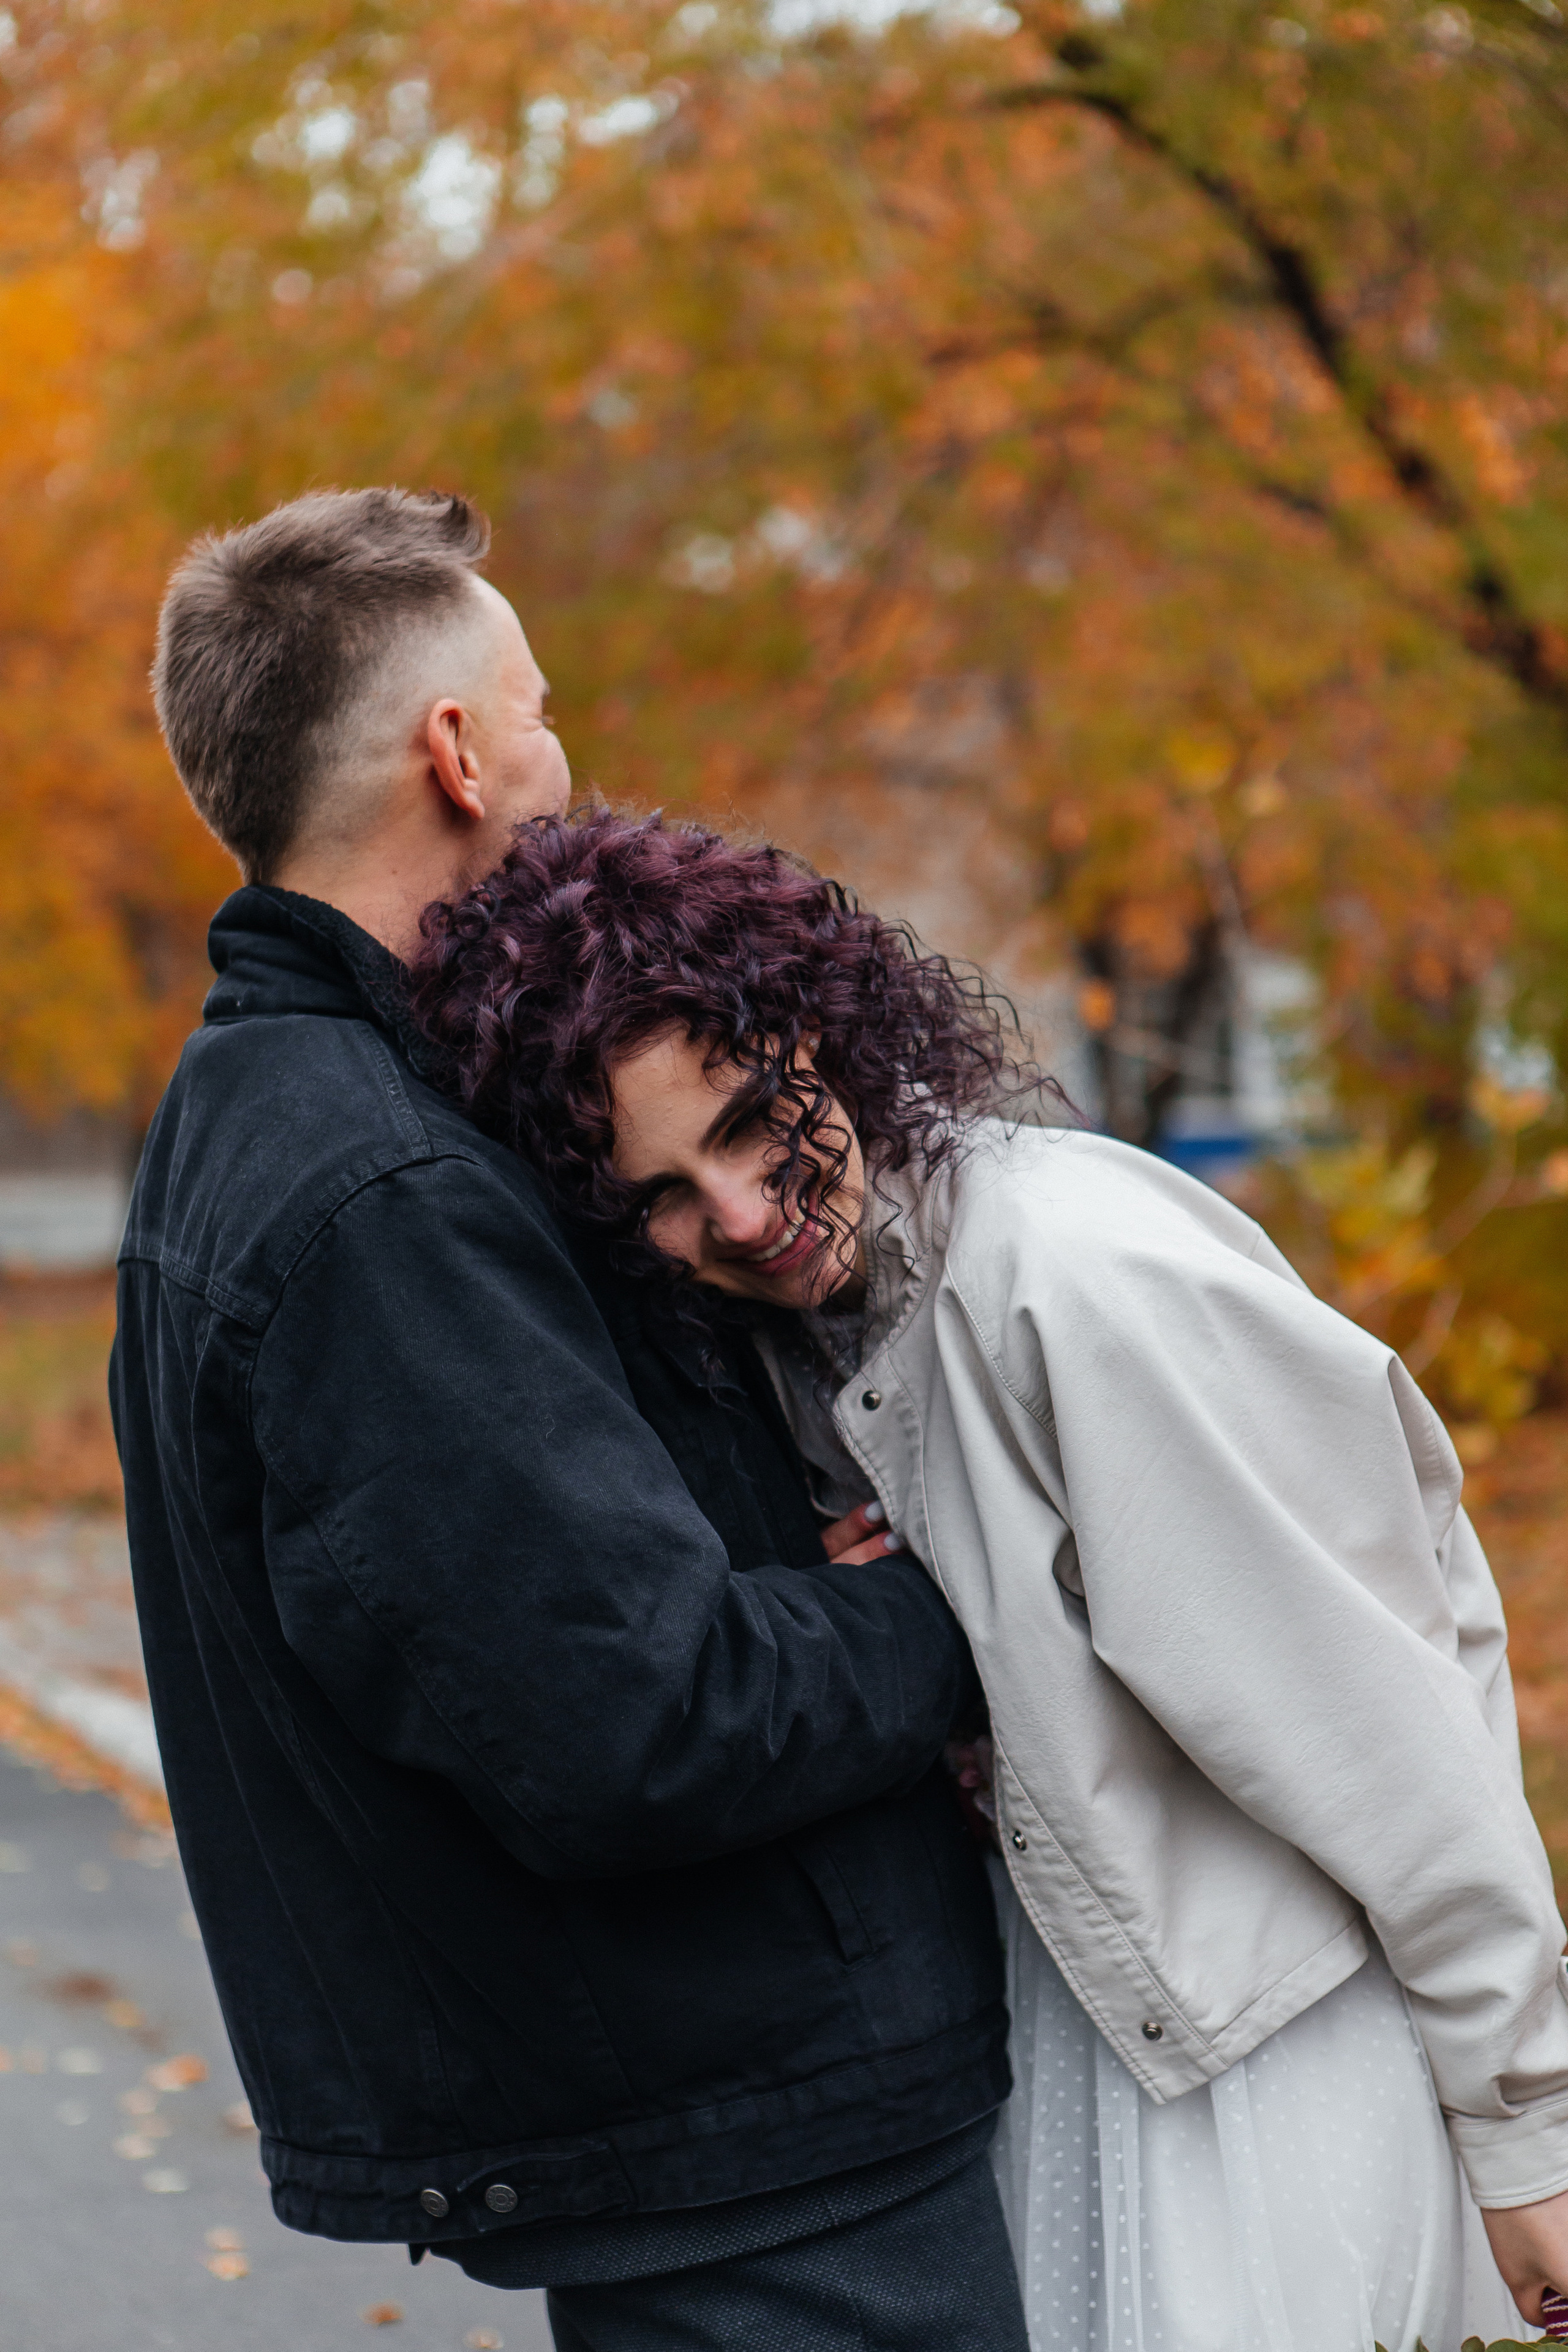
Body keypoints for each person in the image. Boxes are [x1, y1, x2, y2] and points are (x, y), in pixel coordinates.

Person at [410, 801, 1568, 2351]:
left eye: (753, 1123)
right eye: (664, 1195)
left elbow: (1387, 1733)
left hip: (1267, 2075)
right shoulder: (804, 1335)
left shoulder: (1076, 1282)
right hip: (1084, 2040)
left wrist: (1527, 2131)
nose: (742, 1216)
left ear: (826, 1032)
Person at [111, 488, 1031, 2352]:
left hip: (718, 2118)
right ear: (458, 751)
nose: (560, 753)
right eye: (540, 705)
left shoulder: (303, 1107)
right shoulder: (374, 1190)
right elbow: (638, 1719)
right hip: (748, 2139)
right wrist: (950, 1610)